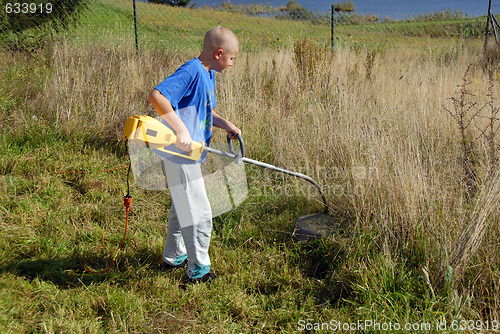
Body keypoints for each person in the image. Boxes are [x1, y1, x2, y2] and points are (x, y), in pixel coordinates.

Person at [148, 26, 241, 284]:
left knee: (182, 206)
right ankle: (198, 270)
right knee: (198, 212)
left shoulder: (208, 74)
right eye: (231, 58)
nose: (232, 64)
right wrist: (180, 131)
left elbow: (203, 111)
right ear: (219, 53)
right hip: (180, 154)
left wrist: (225, 124)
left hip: (189, 155)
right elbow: (158, 96)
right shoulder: (192, 70)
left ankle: (174, 257)